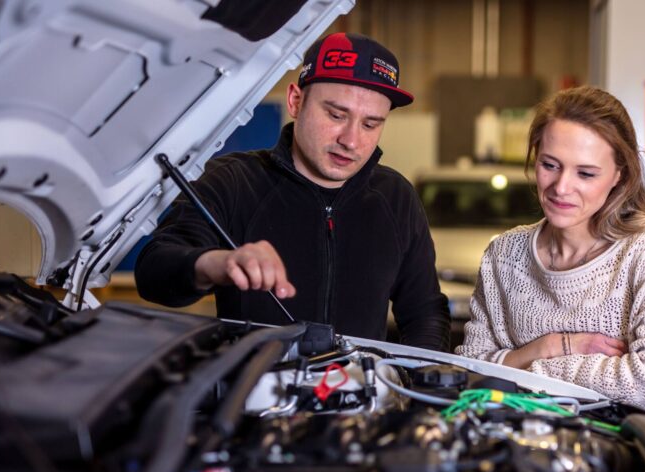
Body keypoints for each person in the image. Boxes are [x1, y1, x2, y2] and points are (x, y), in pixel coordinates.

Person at [135, 33, 450, 350]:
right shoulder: (232, 181)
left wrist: (422, 381)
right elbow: (154, 271)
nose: (351, 141)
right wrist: (217, 264)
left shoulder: (396, 197)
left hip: (360, 392)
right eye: (336, 115)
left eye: (370, 124)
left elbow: (424, 312)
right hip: (252, 393)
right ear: (295, 101)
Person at [456, 86, 645, 417]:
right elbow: (468, 370)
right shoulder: (503, 255)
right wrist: (552, 346)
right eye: (550, 165)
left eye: (586, 173)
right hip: (515, 446)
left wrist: (529, 369)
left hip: (611, 452)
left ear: (620, 175)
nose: (561, 187)